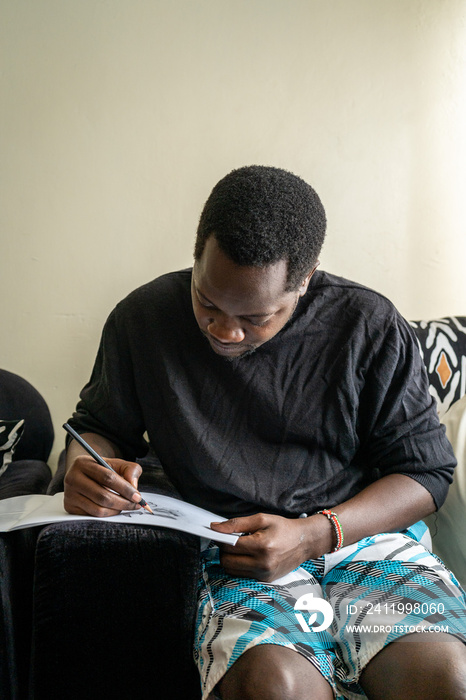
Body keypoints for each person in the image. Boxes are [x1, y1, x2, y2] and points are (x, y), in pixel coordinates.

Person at [64, 166, 466, 700]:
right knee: (274, 687)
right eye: (207, 301)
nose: (225, 331)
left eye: (257, 317)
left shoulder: (367, 324)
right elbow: (97, 428)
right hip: (236, 552)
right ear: (196, 256)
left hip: (364, 540)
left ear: (305, 280)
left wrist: (314, 535)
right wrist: (82, 469)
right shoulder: (142, 320)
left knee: (442, 677)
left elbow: (426, 472)